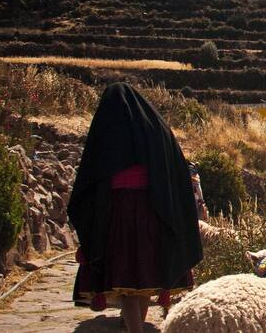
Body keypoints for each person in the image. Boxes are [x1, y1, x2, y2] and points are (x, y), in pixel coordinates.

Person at [68, 83, 203, 333]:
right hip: (153, 212)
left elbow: (90, 177)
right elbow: (176, 170)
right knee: (142, 278)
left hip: (118, 214)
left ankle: (135, 329)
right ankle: (135, 326)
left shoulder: (106, 131)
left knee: (127, 277)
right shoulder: (155, 129)